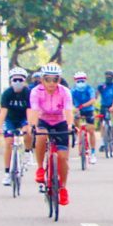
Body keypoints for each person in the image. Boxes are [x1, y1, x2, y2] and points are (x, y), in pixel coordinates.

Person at [30, 64, 75, 206]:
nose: (51, 83)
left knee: (62, 158)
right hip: (43, 120)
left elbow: (68, 110)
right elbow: (35, 111)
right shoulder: (36, 92)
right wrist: (33, 126)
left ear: (59, 80)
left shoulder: (65, 92)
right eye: (47, 79)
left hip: (60, 122)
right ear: (42, 80)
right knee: (41, 135)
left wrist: (70, 125)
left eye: (54, 80)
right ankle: (40, 167)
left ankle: (63, 188)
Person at [0, 67, 33, 184]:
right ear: (11, 81)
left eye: (20, 80)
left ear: (24, 81)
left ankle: (28, 152)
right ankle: (7, 173)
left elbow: (29, 110)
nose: (17, 82)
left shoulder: (28, 93)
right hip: (10, 120)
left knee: (28, 133)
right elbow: (3, 111)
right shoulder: (7, 93)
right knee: (8, 143)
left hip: (23, 118)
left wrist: (29, 124)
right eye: (15, 80)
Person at [70, 71, 99, 163]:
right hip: (78, 110)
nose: (80, 82)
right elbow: (69, 100)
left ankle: (93, 152)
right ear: (75, 81)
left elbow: (93, 100)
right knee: (75, 123)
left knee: (91, 130)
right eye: (78, 80)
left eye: (82, 80)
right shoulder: (73, 90)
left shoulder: (89, 88)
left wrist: (83, 106)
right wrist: (75, 108)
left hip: (88, 110)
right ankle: (77, 135)